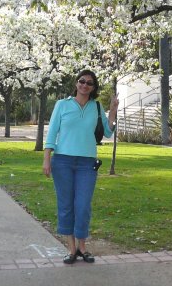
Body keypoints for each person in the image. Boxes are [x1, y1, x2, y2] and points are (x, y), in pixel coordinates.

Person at [42, 69, 119, 264]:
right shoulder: (62, 104)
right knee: (66, 205)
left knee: (83, 206)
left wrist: (113, 110)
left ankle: (82, 247)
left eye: (89, 83)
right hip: (63, 162)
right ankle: (71, 248)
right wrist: (47, 159)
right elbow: (52, 133)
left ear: (93, 87)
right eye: (81, 81)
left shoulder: (96, 106)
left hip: (87, 163)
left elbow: (108, 132)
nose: (85, 85)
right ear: (76, 83)